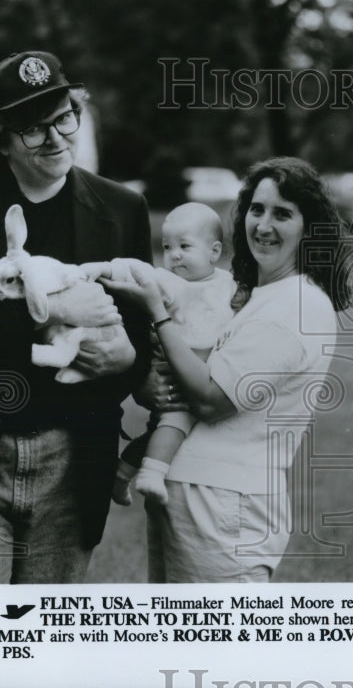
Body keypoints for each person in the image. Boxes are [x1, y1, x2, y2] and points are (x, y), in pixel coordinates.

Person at [0, 51, 153, 583]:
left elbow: (140, 338)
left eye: (65, 116)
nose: (56, 138)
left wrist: (128, 356)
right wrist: (55, 310)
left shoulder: (121, 209)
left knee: (46, 654)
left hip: (73, 460)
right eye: (33, 129)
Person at [103, 157, 353, 582]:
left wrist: (158, 316)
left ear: (309, 227)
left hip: (225, 510)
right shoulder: (258, 296)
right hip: (192, 500)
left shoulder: (297, 306)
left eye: (282, 214)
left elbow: (210, 398)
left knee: (225, 647)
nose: (263, 225)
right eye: (257, 209)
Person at [81, 202, 236, 505]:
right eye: (167, 247)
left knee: (160, 428)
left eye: (184, 246)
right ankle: (151, 475)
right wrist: (101, 268)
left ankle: (121, 472)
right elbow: (134, 270)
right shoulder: (167, 282)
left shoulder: (227, 284)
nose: (174, 254)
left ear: (214, 252)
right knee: (175, 421)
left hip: (207, 371)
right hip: (175, 370)